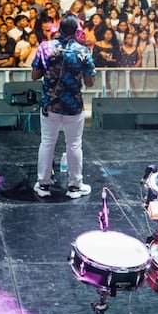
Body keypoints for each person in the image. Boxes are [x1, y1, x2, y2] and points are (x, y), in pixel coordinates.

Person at [32, 14, 96, 199]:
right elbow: (90, 82)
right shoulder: (83, 52)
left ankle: (43, 185)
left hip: (50, 104)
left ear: (59, 29)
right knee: (74, 145)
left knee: (47, 142)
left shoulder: (45, 48)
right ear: (76, 30)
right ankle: (75, 186)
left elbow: (35, 75)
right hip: (73, 106)